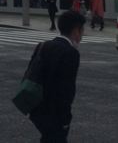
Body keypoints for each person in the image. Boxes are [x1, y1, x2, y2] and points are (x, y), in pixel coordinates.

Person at [30, 10, 85, 143]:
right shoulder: (70, 53)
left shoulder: (43, 45)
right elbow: (66, 90)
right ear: (76, 30)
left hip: (36, 108)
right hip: (55, 113)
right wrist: (65, 119)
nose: (82, 35)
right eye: (82, 30)